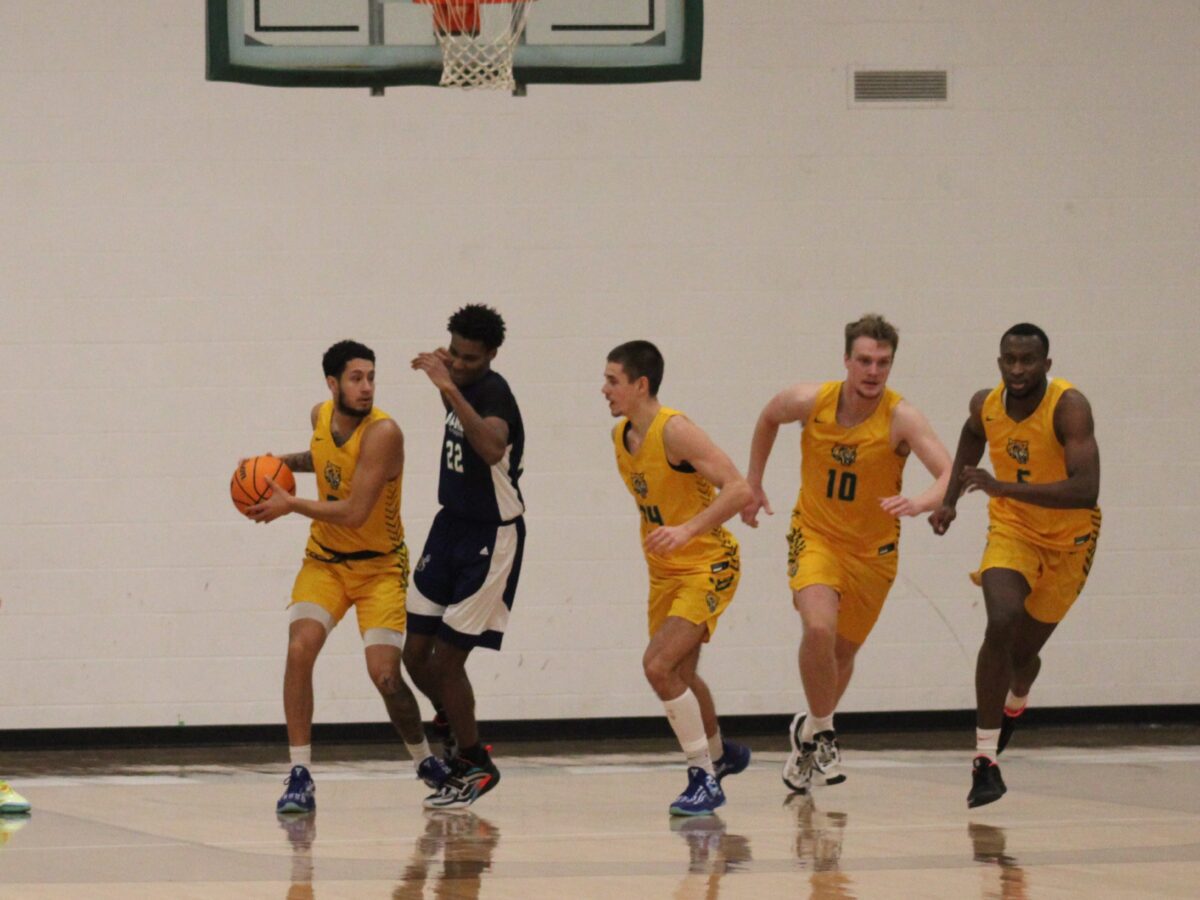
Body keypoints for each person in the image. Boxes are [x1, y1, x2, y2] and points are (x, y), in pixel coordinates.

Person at [742, 314, 951, 793]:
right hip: (815, 535)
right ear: (846, 361)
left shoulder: (902, 417)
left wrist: (919, 502)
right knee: (818, 626)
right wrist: (753, 482)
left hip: (874, 554)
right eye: (864, 361)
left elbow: (949, 474)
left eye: (883, 362)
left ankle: (808, 733)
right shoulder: (810, 401)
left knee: (841, 654)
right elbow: (770, 415)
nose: (873, 371)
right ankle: (827, 731)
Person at [246, 339, 447, 814]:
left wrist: (290, 503)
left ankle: (424, 759)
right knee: (299, 650)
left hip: (380, 568)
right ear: (332, 384)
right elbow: (323, 457)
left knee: (384, 675)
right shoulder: (320, 415)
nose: (367, 387)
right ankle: (299, 774)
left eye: (372, 377)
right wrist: (273, 467)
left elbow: (356, 511)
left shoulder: (385, 434)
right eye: (356, 378)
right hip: (325, 563)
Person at [930, 323, 1100, 808]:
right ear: (999, 361)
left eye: (1028, 361)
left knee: (1022, 658)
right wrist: (949, 501)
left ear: (1047, 365)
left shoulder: (1070, 408)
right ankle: (985, 761)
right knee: (1000, 620)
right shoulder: (986, 404)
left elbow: (1085, 489)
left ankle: (1016, 699)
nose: (1018, 369)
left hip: (1070, 540)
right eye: (1010, 360)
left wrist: (1003, 487)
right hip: (1013, 531)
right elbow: (970, 435)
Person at [603, 340, 753, 817]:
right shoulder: (620, 435)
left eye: (613, 380)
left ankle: (703, 776)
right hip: (665, 573)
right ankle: (721, 752)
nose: (603, 389)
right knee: (681, 675)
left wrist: (687, 529)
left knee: (658, 666)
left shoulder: (677, 431)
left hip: (708, 565)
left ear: (640, 385)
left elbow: (739, 488)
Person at [406, 305, 526, 811]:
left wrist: (448, 386)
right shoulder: (458, 376)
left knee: (448, 661)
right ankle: (453, 721)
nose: (457, 363)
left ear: (492, 356)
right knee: (413, 656)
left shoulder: (493, 391)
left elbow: (494, 447)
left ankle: (475, 761)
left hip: (489, 538)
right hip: (448, 525)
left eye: (469, 358)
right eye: (452, 353)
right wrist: (446, 378)